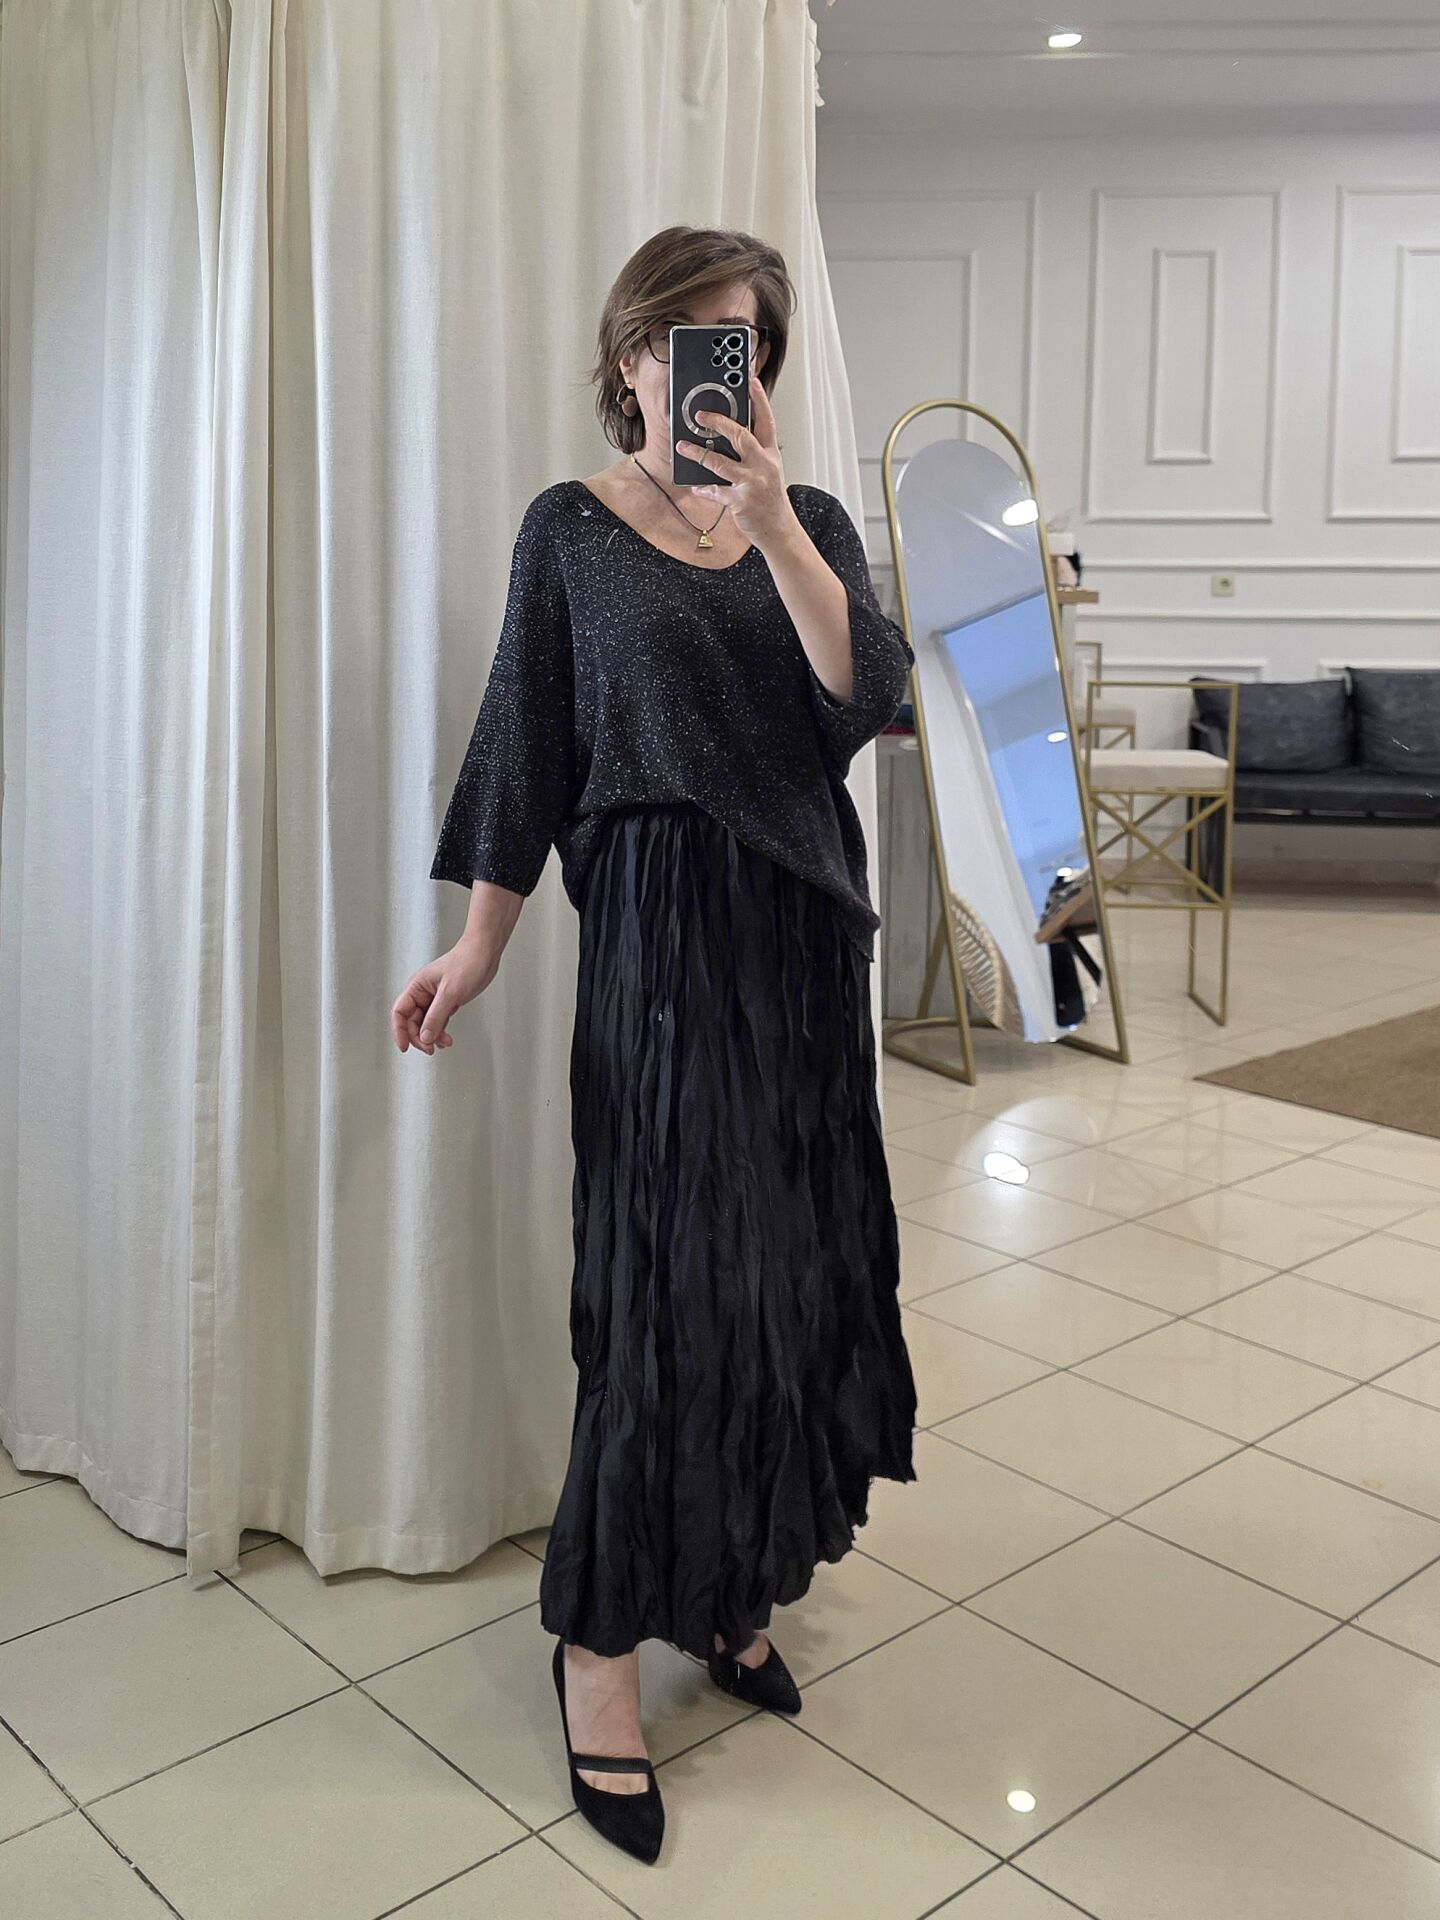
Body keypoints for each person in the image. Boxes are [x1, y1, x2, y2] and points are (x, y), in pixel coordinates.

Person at [390, 225, 918, 1865]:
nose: (703, 368)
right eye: (677, 338)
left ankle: (731, 1589)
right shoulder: (567, 531)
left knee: (781, 1284)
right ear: (627, 361)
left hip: (798, 948)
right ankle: (602, 1648)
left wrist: (777, 531)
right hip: (659, 950)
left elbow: (868, 697)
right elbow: (525, 745)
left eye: (735, 343)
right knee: (660, 1294)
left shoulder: (805, 521)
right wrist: (479, 942)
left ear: (760, 371)